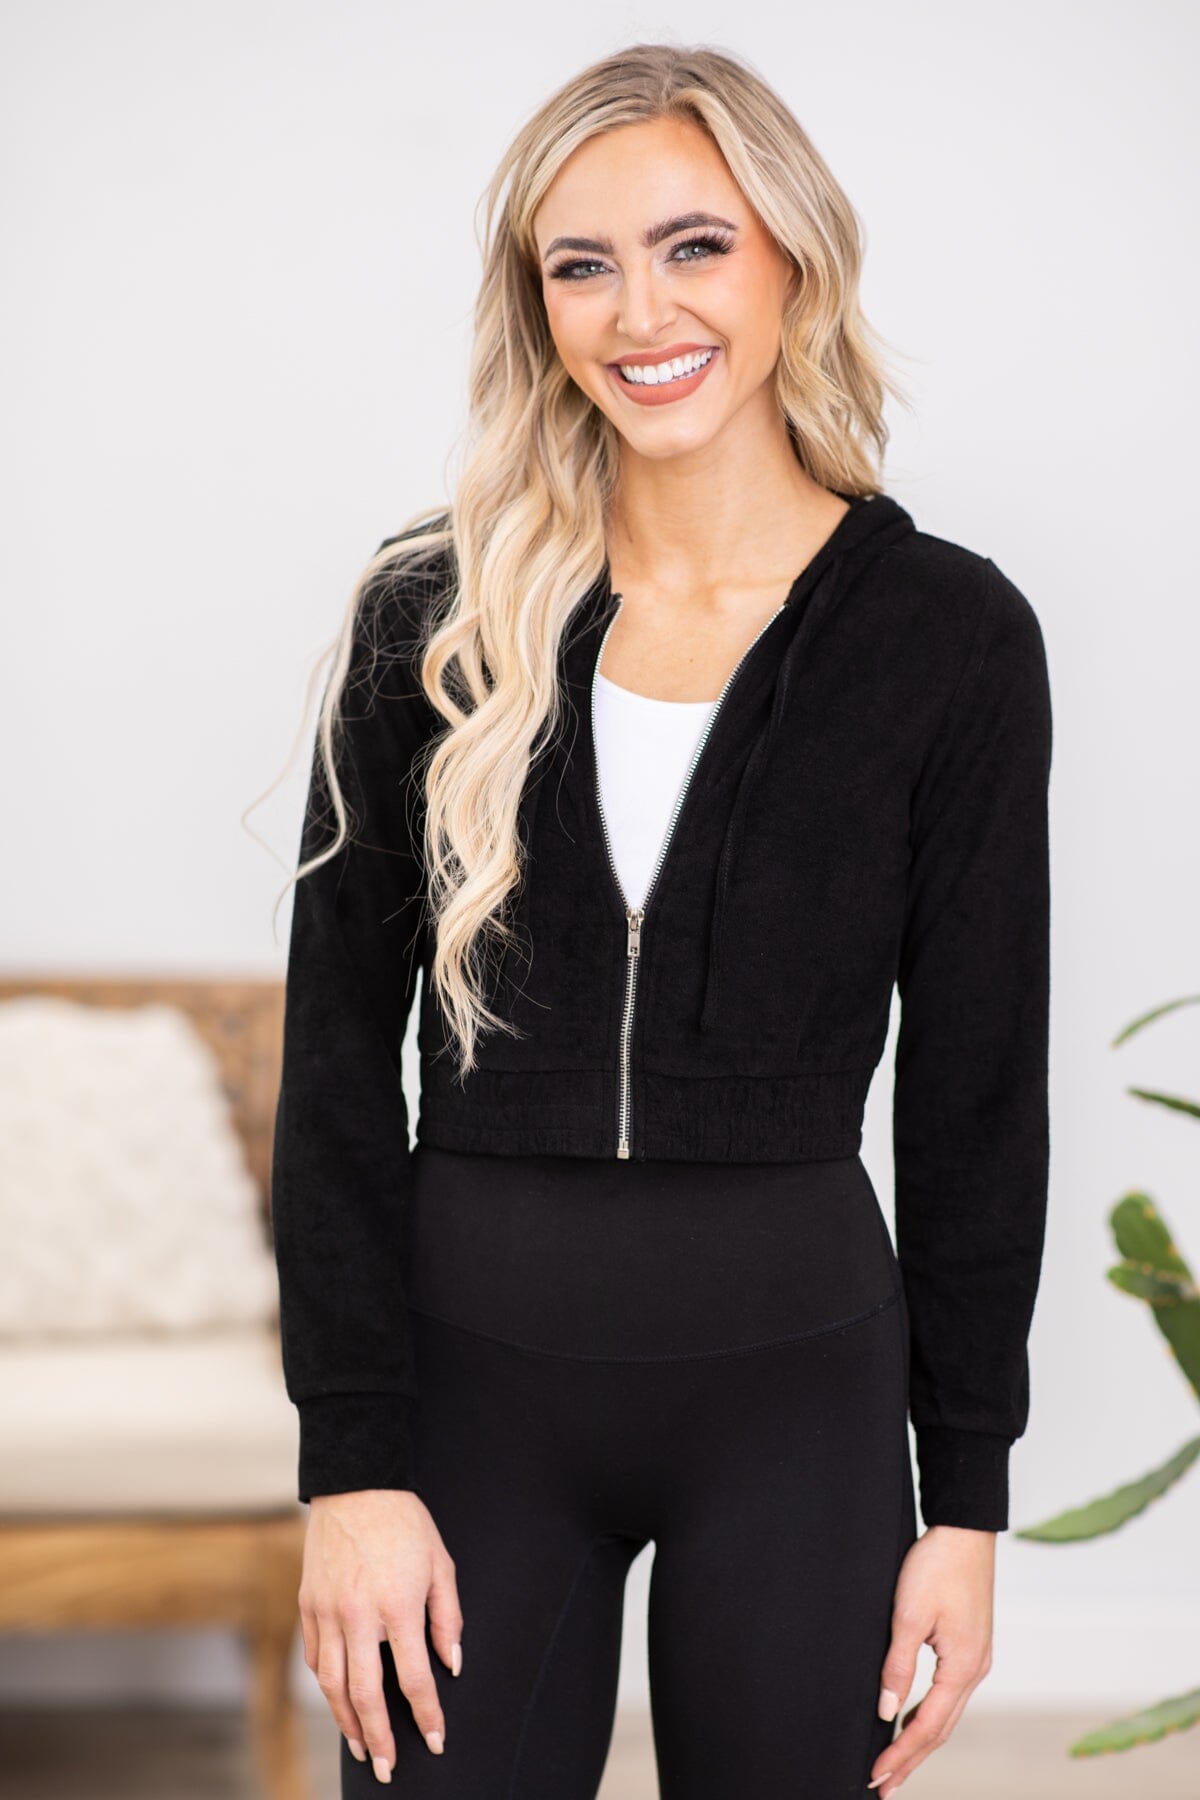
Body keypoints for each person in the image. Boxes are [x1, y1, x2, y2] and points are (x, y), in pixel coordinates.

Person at [267, 41, 1052, 1800]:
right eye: (584, 265)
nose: (642, 313)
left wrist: (968, 1501)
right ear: (537, 306)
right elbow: (334, 1071)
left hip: (797, 1401)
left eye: (696, 246)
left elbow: (978, 1098)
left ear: (793, 258)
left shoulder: (948, 639)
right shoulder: (433, 619)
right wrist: (351, 1465)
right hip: (468, 1396)